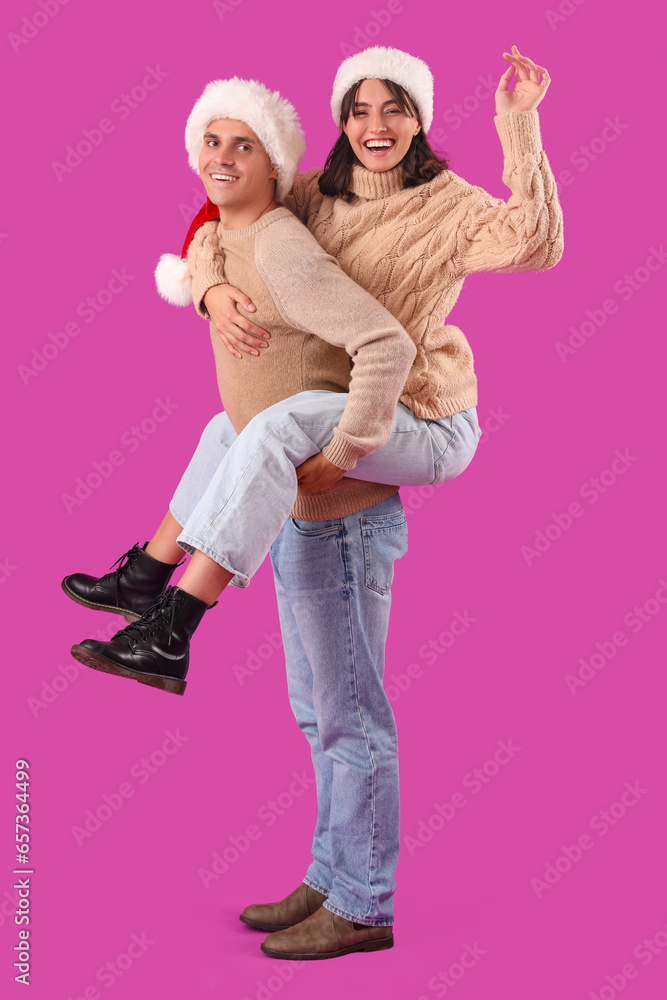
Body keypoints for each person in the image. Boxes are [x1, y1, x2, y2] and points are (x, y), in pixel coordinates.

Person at [64, 44, 563, 960]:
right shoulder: (312, 197)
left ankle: (362, 898)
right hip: (321, 450)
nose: (377, 126)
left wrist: (517, 122)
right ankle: (331, 870)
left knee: (350, 712)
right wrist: (210, 286)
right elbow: (225, 216)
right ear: (340, 119)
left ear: (418, 117)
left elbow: (535, 244)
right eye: (360, 109)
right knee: (314, 701)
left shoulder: (447, 205)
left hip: (414, 423)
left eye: (396, 108)